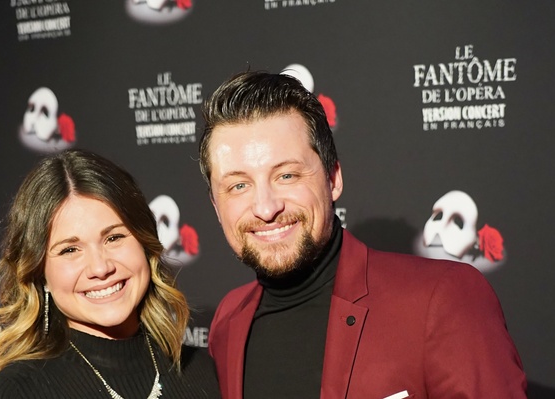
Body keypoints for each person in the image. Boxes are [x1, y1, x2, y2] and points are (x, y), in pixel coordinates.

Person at [198, 71, 527, 398]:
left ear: (333, 179)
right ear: (216, 205)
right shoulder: (227, 322)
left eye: (286, 175)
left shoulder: (442, 299)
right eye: (238, 185)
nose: (266, 208)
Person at [0, 150, 220, 399]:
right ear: (40, 272)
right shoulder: (12, 392)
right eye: (70, 249)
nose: (101, 268)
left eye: (114, 238)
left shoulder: (200, 371)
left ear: (145, 243)